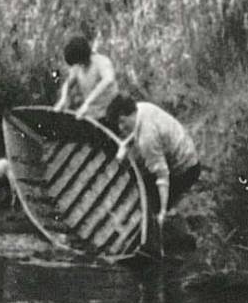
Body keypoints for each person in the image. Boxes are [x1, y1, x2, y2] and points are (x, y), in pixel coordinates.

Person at [110, 95, 203, 229]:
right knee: (140, 179)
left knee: (151, 207)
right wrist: (125, 144)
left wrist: (162, 211)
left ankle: (172, 223)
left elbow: (162, 176)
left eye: (122, 122)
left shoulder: (147, 140)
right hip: (184, 148)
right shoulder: (141, 108)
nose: (120, 127)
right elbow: (137, 131)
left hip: (185, 170)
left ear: (127, 115)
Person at [51, 33, 118, 124]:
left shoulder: (101, 62)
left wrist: (87, 102)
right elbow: (68, 83)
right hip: (91, 114)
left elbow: (108, 80)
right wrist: (63, 99)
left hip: (109, 114)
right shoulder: (78, 66)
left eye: (79, 62)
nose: (78, 65)